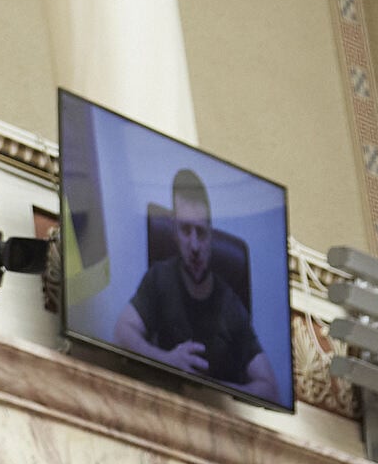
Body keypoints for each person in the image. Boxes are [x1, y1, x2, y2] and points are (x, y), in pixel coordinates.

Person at [108, 167, 276, 399]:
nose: (195, 246)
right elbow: (121, 332)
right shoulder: (160, 278)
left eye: (201, 232)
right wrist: (167, 361)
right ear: (174, 233)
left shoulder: (230, 304)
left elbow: (269, 388)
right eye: (186, 231)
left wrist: (216, 393)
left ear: (211, 236)